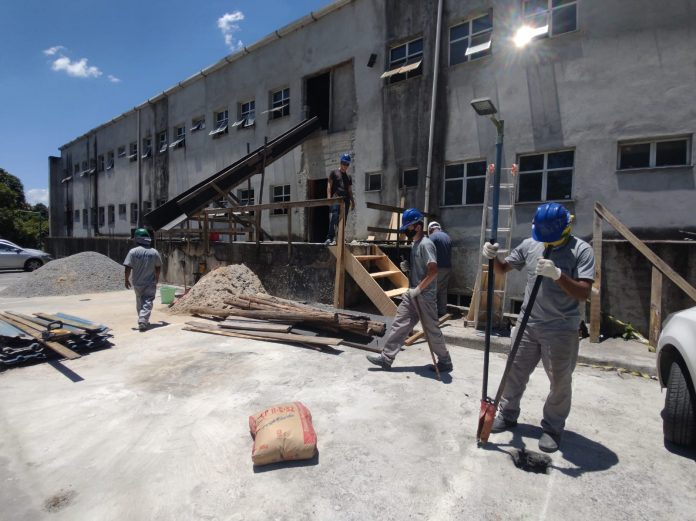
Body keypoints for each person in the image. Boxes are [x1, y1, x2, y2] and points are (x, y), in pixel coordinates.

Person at [481, 202, 595, 453]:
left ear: (565, 229)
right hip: (527, 323)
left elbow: (584, 293)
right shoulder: (531, 244)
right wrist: (492, 256)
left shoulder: (581, 251)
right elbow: (501, 270)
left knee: (559, 381)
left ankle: (553, 427)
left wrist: (558, 276)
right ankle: (508, 413)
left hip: (561, 328)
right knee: (514, 371)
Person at [366, 208, 453, 373]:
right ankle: (386, 358)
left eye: (408, 227)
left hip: (424, 296)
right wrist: (410, 269)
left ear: (417, 226)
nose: (406, 231)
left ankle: (445, 361)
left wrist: (418, 289)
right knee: (399, 324)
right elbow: (423, 270)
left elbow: (433, 271)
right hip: (412, 294)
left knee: (431, 330)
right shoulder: (415, 244)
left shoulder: (426, 244)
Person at [124, 228, 162, 332]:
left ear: (138, 239)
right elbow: (158, 266)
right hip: (150, 282)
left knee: (140, 300)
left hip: (137, 283)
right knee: (148, 301)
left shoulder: (133, 252)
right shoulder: (154, 252)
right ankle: (142, 320)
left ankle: (143, 319)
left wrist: (126, 279)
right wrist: (157, 277)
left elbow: (128, 266)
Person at [324, 153, 355, 246]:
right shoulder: (334, 173)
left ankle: (340, 238)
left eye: (347, 164)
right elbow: (329, 185)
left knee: (343, 220)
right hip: (336, 199)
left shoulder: (348, 177)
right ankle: (330, 237)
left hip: (346, 201)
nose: (345, 165)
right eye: (344, 163)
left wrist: (353, 201)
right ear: (341, 162)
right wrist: (329, 198)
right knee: (334, 217)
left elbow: (349, 190)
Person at [427, 221, 452, 317]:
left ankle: (430, 313)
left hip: (438, 268)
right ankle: (442, 311)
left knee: (432, 290)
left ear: (430, 229)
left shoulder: (432, 237)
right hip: (448, 267)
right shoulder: (447, 237)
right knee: (442, 290)